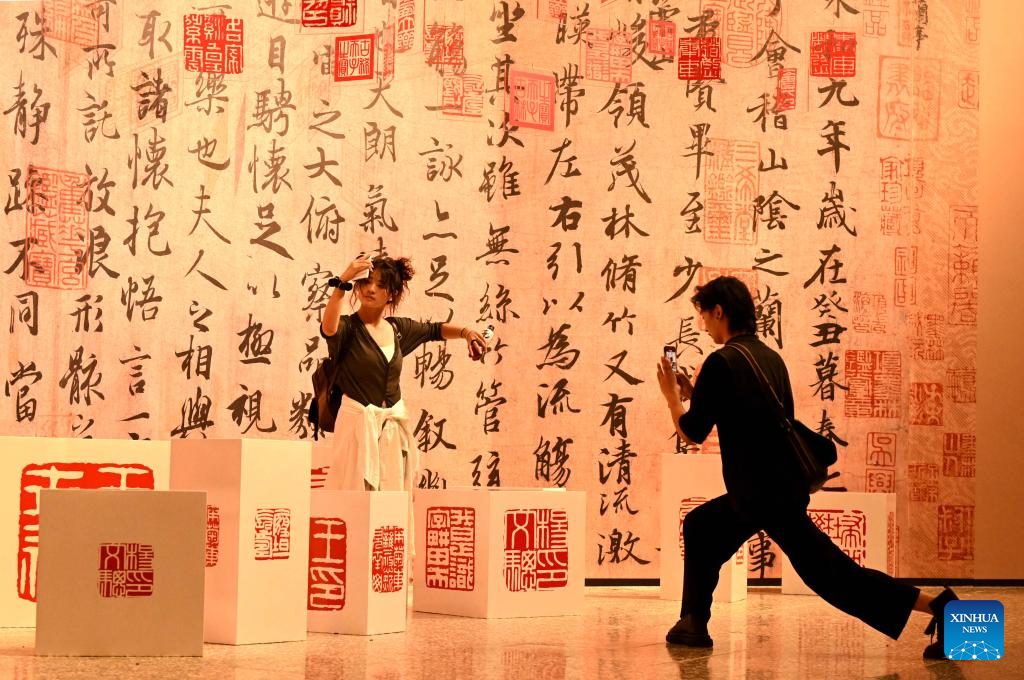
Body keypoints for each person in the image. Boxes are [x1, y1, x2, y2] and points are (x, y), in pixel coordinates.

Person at [655, 275, 957, 659]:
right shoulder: (769, 358)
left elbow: (693, 433)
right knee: (703, 527)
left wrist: (672, 398)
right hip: (775, 489)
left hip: (760, 495)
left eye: (704, 316)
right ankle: (693, 623)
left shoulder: (721, 361)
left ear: (719, 311)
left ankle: (944, 608)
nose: (703, 326)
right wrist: (696, 395)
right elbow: (751, 415)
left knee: (833, 575)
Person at [319, 254, 488, 491]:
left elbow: (434, 330)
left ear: (392, 294)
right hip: (357, 428)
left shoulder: (398, 329)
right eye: (366, 282)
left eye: (381, 285)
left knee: (391, 500)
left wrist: (467, 333)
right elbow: (328, 328)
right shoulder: (347, 327)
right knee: (353, 498)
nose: (371, 289)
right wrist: (342, 282)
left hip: (392, 428)